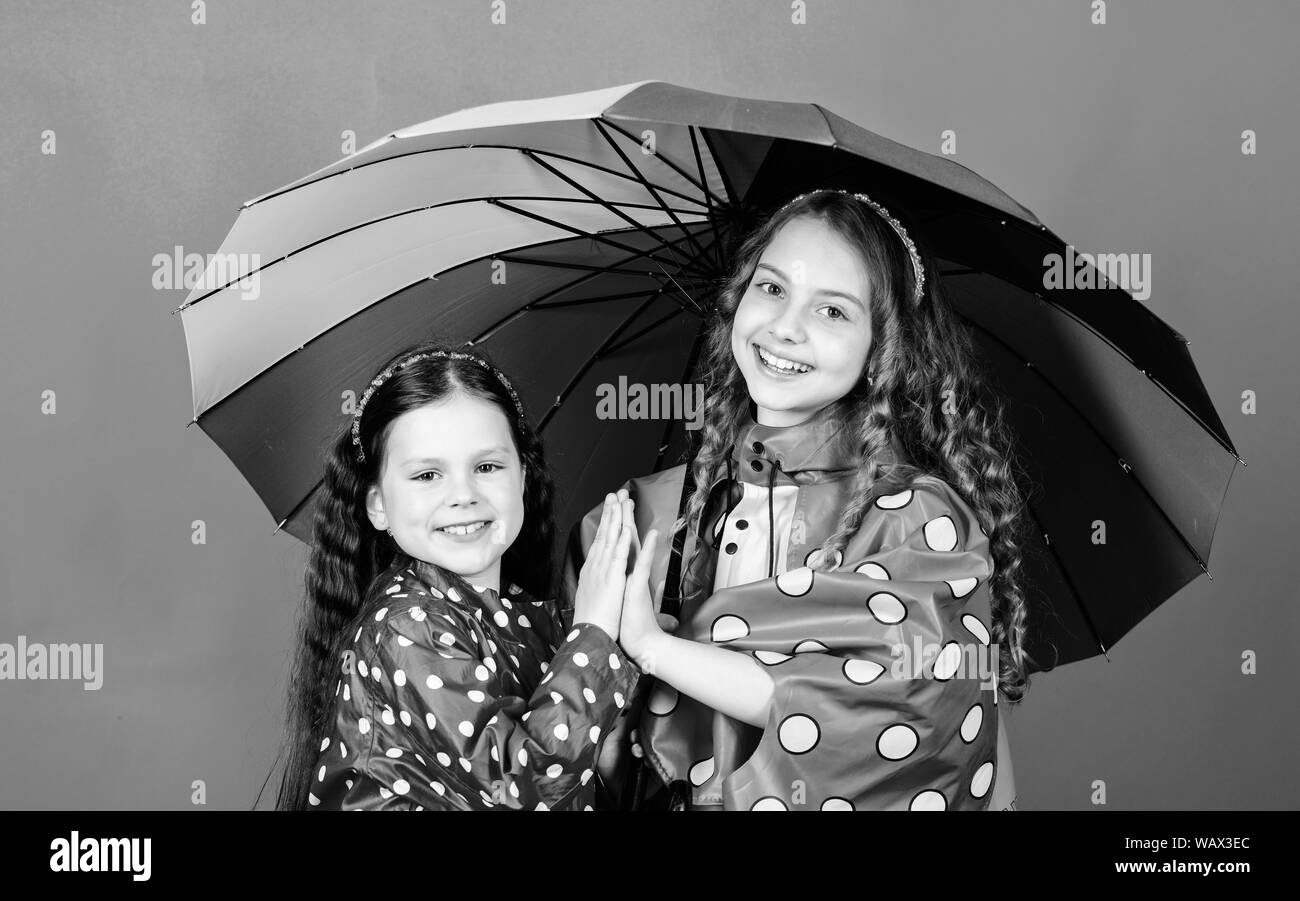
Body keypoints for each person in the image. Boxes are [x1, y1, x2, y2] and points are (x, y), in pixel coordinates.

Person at [563, 188, 1034, 811]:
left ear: (882, 351)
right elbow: (582, 758)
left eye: (833, 312)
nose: (785, 327)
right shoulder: (635, 516)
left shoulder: (920, 527)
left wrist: (656, 648)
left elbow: (901, 708)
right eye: (772, 288)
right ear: (738, 297)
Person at [272, 340, 642, 810]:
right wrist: (595, 635)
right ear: (378, 505)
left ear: (523, 480)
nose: (463, 495)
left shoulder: (535, 621)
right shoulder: (407, 627)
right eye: (427, 475)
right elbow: (522, 786)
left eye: (486, 466)